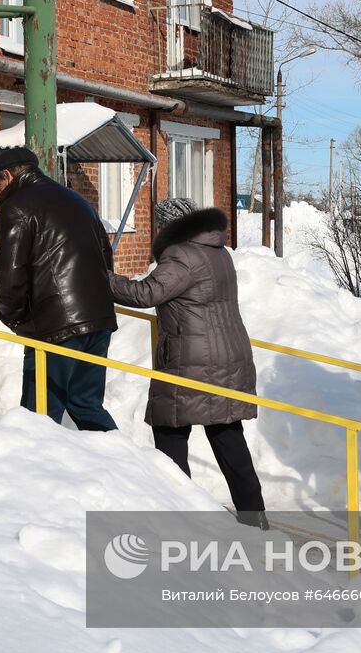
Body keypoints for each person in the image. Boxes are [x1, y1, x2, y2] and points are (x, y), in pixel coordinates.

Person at [111, 198, 267, 529]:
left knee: (169, 434)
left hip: (191, 359)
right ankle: (256, 519)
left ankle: (183, 520)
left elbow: (145, 294)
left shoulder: (182, 255)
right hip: (227, 354)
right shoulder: (218, 252)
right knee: (228, 435)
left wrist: (102, 279)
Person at [0, 146, 118, 431]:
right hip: (98, 320)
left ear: (7, 175)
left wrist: (14, 315)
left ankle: (36, 474)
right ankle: (125, 467)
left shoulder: (17, 206)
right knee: (87, 405)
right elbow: (106, 258)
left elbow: (10, 273)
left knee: (39, 417)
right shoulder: (78, 201)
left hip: (54, 327)